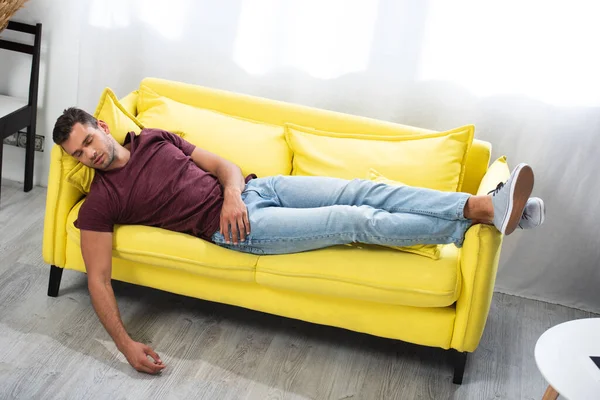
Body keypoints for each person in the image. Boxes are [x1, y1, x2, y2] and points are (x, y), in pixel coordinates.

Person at [52, 107, 545, 374]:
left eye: (88, 140)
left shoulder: (154, 136)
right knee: (356, 218)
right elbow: (97, 278)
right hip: (237, 230)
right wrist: (125, 345)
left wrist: (232, 193)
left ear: (101, 127)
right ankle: (489, 215)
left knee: (364, 189)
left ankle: (487, 210)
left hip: (254, 189)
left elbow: (222, 164)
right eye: (78, 154)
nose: (88, 154)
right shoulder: (102, 202)